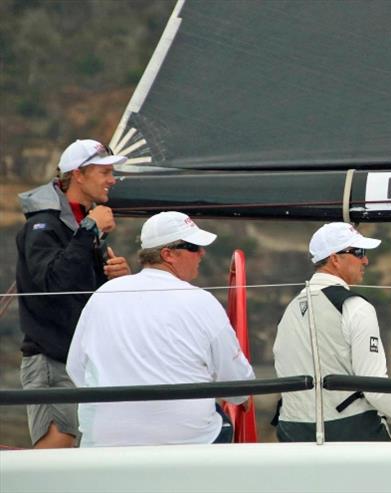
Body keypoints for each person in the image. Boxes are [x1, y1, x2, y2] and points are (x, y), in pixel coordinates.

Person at [66, 211, 255, 447]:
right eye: (194, 247)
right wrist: (241, 397)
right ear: (168, 254)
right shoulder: (201, 301)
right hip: (188, 441)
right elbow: (235, 379)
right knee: (221, 424)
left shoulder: (103, 295)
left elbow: (75, 367)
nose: (202, 253)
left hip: (108, 440)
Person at [273, 222, 391, 441]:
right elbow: (376, 389)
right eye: (358, 252)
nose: (365, 260)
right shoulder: (355, 307)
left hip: (292, 435)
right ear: (335, 258)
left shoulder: (288, 312)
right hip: (350, 434)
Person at [16, 139, 130, 448]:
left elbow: (82, 296)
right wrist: (90, 230)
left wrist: (117, 280)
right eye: (105, 172)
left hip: (81, 360)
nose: (112, 180)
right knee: (58, 449)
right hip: (53, 359)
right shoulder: (43, 225)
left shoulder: (79, 225)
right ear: (78, 175)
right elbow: (53, 284)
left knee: (79, 451)